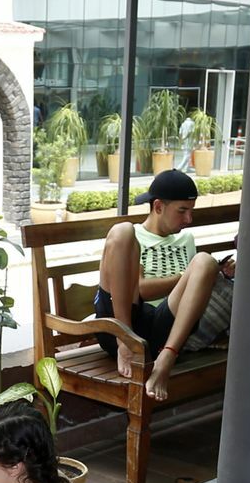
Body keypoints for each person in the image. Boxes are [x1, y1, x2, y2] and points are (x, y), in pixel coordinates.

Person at [94, 169, 234, 403]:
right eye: (182, 211)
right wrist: (184, 276)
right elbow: (139, 289)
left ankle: (167, 357)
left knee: (206, 261)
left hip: (162, 329)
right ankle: (125, 342)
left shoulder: (186, 239)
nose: (188, 220)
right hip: (122, 320)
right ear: (158, 206)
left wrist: (215, 274)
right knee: (122, 230)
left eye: (191, 211)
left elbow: (190, 289)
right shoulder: (136, 236)